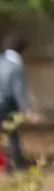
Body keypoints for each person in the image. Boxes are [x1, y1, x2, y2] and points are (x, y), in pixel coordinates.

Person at [0, 33, 25, 172]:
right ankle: (14, 163)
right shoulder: (16, 66)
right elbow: (18, 90)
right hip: (6, 105)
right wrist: (25, 108)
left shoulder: (1, 61)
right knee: (11, 134)